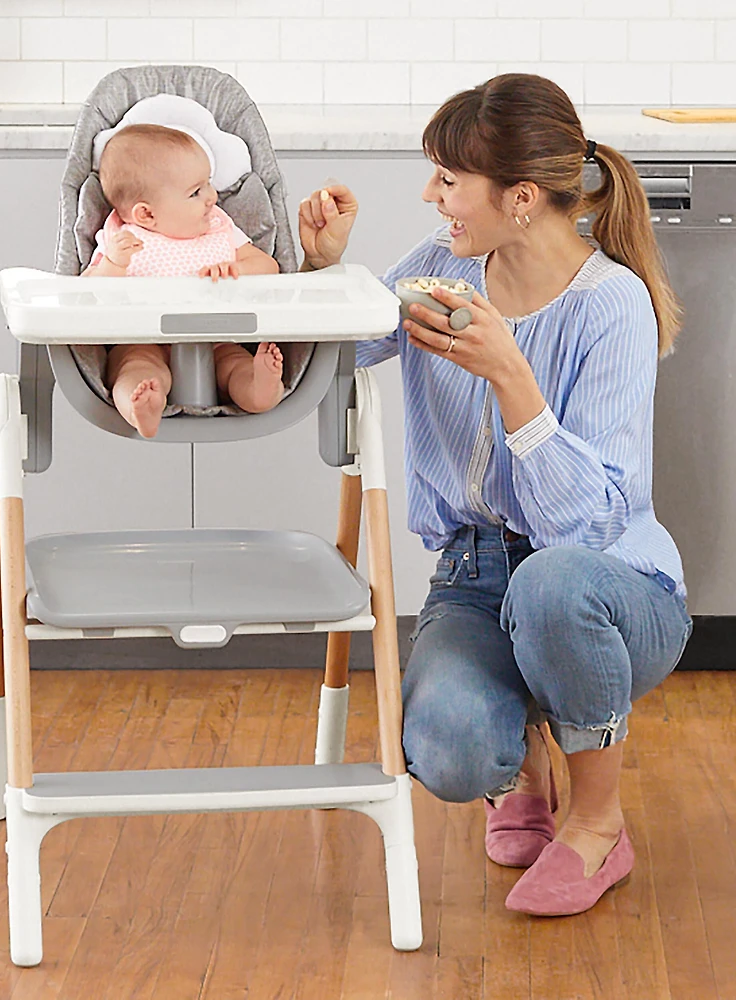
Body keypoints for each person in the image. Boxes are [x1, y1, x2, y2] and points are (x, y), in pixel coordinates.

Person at [298, 73, 693, 917]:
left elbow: (586, 525)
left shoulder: (612, 306)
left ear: (518, 198)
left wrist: (513, 378)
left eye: (448, 179)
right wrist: (322, 271)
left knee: (550, 584)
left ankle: (596, 823)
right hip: (474, 575)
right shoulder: (443, 270)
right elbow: (333, 354)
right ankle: (522, 763)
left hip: (610, 587)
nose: (430, 194)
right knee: (445, 748)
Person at [84, 123, 283, 438]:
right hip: (141, 338)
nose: (212, 197)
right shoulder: (122, 240)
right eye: (196, 191)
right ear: (146, 215)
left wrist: (238, 269)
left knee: (234, 363)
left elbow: (269, 266)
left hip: (217, 336)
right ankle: (141, 405)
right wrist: (113, 265)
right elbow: (87, 293)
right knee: (134, 369)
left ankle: (260, 388)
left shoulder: (219, 227)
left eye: (208, 184)